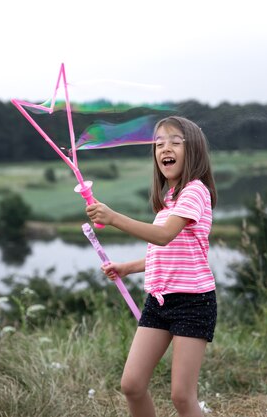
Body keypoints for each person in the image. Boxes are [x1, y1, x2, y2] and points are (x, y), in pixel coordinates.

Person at [86, 116, 218, 417]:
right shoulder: (169, 199)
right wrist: (127, 268)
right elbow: (170, 253)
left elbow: (162, 237)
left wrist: (113, 218)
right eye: (158, 144)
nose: (164, 149)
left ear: (193, 150)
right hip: (160, 302)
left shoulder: (195, 191)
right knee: (132, 384)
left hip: (193, 303)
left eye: (174, 142)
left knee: (182, 396)